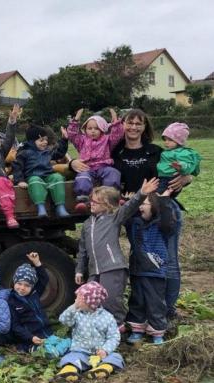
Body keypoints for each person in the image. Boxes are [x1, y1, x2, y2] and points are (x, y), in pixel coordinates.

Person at [109, 109, 193, 319]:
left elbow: (183, 164)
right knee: (140, 260)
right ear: (123, 125)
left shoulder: (157, 152)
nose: (134, 127)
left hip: (163, 210)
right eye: (130, 122)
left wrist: (187, 177)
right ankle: (145, 310)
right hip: (134, 215)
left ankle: (168, 310)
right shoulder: (116, 153)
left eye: (139, 123)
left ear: (145, 127)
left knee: (168, 260)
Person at [75, 177, 159, 327]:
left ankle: (118, 328)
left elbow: (129, 207)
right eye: (91, 201)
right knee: (89, 300)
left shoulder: (113, 218)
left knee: (111, 301)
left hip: (112, 267)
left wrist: (141, 193)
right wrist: (79, 270)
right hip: (95, 271)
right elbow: (82, 250)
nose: (91, 204)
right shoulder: (87, 224)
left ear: (106, 205)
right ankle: (98, 330)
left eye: (95, 202)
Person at [125, 189, 176, 344]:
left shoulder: (161, 226)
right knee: (137, 301)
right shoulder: (134, 224)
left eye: (144, 204)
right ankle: (137, 330)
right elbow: (126, 217)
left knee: (155, 302)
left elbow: (168, 221)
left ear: (154, 206)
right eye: (140, 204)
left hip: (155, 271)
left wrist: (165, 201)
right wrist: (131, 202)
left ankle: (157, 331)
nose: (141, 207)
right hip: (137, 270)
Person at [56, 282, 123, 381]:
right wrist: (74, 307)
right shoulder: (77, 314)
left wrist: (105, 350)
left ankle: (103, 369)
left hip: (100, 355)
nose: (76, 301)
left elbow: (114, 336)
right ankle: (69, 371)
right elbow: (63, 320)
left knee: (116, 357)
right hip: (80, 352)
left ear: (90, 302)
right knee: (70, 358)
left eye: (79, 299)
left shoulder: (108, 317)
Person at [6, 253, 67, 357]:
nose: (22, 288)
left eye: (26, 285)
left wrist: (37, 263)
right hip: (31, 338)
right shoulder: (12, 301)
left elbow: (44, 278)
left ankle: (56, 349)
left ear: (32, 286)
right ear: (14, 282)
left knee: (67, 342)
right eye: (19, 283)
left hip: (46, 333)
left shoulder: (35, 293)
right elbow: (15, 326)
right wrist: (30, 337)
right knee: (49, 352)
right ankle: (34, 349)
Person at [67, 108, 124, 212]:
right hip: (87, 167)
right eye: (89, 128)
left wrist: (115, 122)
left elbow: (117, 135)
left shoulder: (107, 139)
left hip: (103, 166)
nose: (93, 131)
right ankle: (83, 200)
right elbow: (72, 134)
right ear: (85, 129)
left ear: (102, 129)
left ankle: (112, 197)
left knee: (113, 173)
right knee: (82, 177)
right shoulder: (81, 140)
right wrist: (75, 121)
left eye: (96, 128)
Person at [12, 125, 71, 218]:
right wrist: (20, 180)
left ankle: (60, 207)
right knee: (35, 181)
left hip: (47, 175)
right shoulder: (24, 153)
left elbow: (59, 153)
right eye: (41, 140)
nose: (45, 142)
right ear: (31, 142)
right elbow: (17, 167)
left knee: (57, 177)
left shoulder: (47, 151)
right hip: (32, 176)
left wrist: (64, 140)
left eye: (46, 140)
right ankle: (41, 207)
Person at [156, 122, 201, 194]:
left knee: (156, 197)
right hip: (163, 178)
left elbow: (188, 164)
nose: (166, 142)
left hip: (170, 180)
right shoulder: (168, 151)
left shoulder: (181, 152)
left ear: (179, 141)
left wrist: (181, 166)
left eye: (170, 140)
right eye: (165, 139)